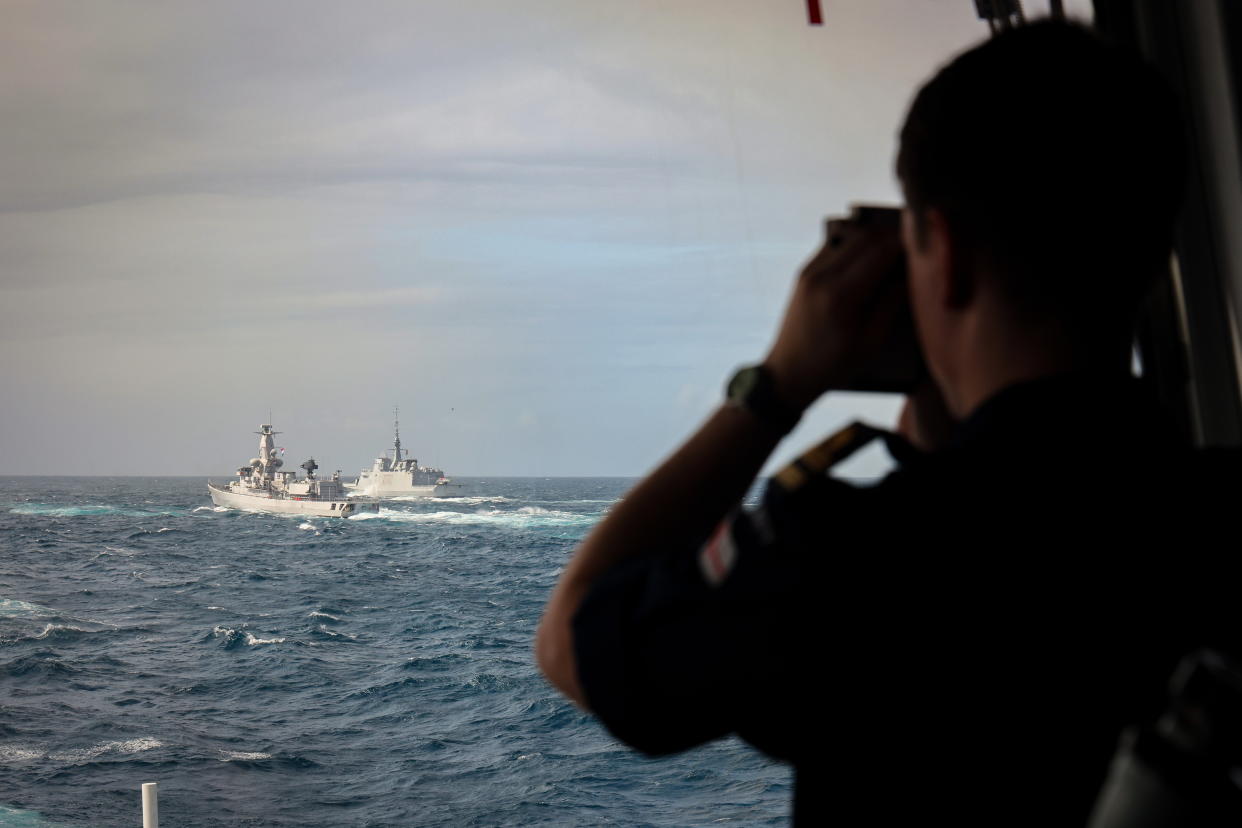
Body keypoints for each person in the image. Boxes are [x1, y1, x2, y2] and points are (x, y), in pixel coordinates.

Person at [536, 20, 1240, 825]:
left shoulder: (846, 554)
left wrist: (777, 388)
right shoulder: (1217, 516)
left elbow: (572, 642)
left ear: (945, 251)